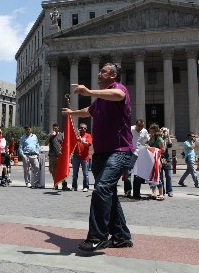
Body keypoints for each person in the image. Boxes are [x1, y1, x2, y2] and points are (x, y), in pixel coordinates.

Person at [62, 63, 134, 251]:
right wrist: (72, 113)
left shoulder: (117, 89)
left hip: (119, 151)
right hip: (101, 153)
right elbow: (89, 111)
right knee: (109, 194)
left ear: (113, 75)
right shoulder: (100, 100)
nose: (99, 73)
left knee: (101, 190)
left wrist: (89, 91)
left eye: (103, 71)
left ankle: (97, 236)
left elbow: (119, 96)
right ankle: (121, 237)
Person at [128, 119, 149, 199]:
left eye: (142, 126)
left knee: (138, 174)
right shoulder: (130, 129)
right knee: (128, 173)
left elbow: (147, 140)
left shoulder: (144, 131)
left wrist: (146, 145)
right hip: (129, 153)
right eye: (139, 126)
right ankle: (128, 192)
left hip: (139, 153)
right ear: (135, 125)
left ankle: (136, 193)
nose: (140, 128)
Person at [45, 123, 67, 190]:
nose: (54, 129)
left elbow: (64, 144)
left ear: (58, 128)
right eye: (53, 128)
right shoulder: (50, 135)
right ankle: (56, 184)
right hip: (52, 156)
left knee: (61, 170)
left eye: (55, 128)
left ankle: (64, 184)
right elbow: (46, 144)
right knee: (53, 170)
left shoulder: (61, 135)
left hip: (60, 156)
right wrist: (50, 136)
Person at [71, 123, 92, 192]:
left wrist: (81, 141)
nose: (82, 129)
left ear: (86, 129)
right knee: (74, 173)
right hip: (76, 156)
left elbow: (87, 144)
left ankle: (86, 186)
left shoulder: (88, 136)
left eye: (84, 128)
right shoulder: (76, 136)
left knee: (85, 173)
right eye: (81, 128)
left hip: (85, 157)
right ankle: (74, 186)